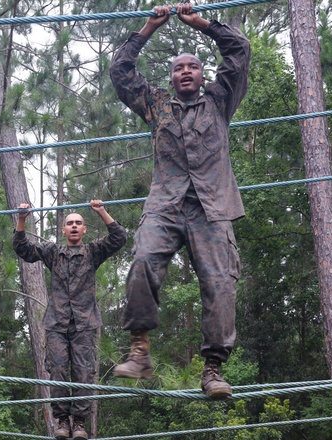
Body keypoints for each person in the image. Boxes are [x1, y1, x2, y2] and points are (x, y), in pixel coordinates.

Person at [109, 3, 249, 400]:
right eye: (177, 68)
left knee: (221, 286)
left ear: (203, 75)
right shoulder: (156, 105)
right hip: (165, 206)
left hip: (213, 209)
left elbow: (239, 51)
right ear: (170, 79)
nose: (185, 71)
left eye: (192, 67)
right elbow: (120, 72)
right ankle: (139, 351)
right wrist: (150, 28)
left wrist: (200, 24)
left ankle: (214, 370)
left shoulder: (220, 101)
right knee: (141, 263)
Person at [13, 200, 127, 440]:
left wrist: (101, 212)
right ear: (63, 230)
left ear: (84, 229)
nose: (74, 226)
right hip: (56, 323)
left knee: (85, 373)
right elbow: (22, 248)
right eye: (69, 224)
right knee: (58, 371)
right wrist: (22, 218)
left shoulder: (94, 252)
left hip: (85, 323)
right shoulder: (53, 253)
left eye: (78, 223)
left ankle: (80, 422)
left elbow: (119, 238)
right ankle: (63, 420)